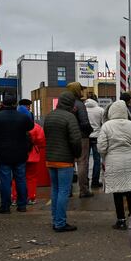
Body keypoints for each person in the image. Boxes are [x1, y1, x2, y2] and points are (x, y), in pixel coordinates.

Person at [0, 95, 33, 214]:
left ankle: (5, 206)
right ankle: (22, 205)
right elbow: (31, 127)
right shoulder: (23, 117)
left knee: (5, 180)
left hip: (2, 154)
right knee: (21, 179)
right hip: (20, 153)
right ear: (15, 104)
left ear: (2, 104)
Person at [98, 100, 131, 230]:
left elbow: (101, 147)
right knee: (130, 189)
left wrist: (106, 153)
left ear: (111, 111)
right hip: (129, 160)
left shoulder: (106, 126)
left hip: (113, 160)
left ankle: (121, 220)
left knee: (117, 191)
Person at [43, 91, 82, 232]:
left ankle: (55, 219)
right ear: (71, 103)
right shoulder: (69, 117)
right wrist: (77, 154)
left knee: (55, 190)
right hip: (65, 160)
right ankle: (60, 223)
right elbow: (76, 140)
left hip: (50, 159)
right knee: (63, 191)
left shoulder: (49, 116)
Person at [65, 82, 94, 198]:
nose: (82, 91)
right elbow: (85, 122)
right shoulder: (80, 104)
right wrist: (89, 132)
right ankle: (83, 189)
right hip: (81, 137)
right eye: (81, 89)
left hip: (67, 137)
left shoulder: (64, 104)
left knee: (68, 163)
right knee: (82, 162)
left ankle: (67, 190)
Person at [12, 109, 45, 206]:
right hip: (33, 156)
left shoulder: (14, 126)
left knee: (16, 177)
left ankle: (15, 197)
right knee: (31, 177)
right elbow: (42, 142)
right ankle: (31, 197)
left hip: (18, 155)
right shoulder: (37, 127)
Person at [85, 97, 104, 189]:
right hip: (97, 137)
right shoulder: (100, 110)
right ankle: (95, 182)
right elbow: (103, 124)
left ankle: (85, 181)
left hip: (85, 137)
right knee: (97, 160)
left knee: (85, 160)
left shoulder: (83, 110)